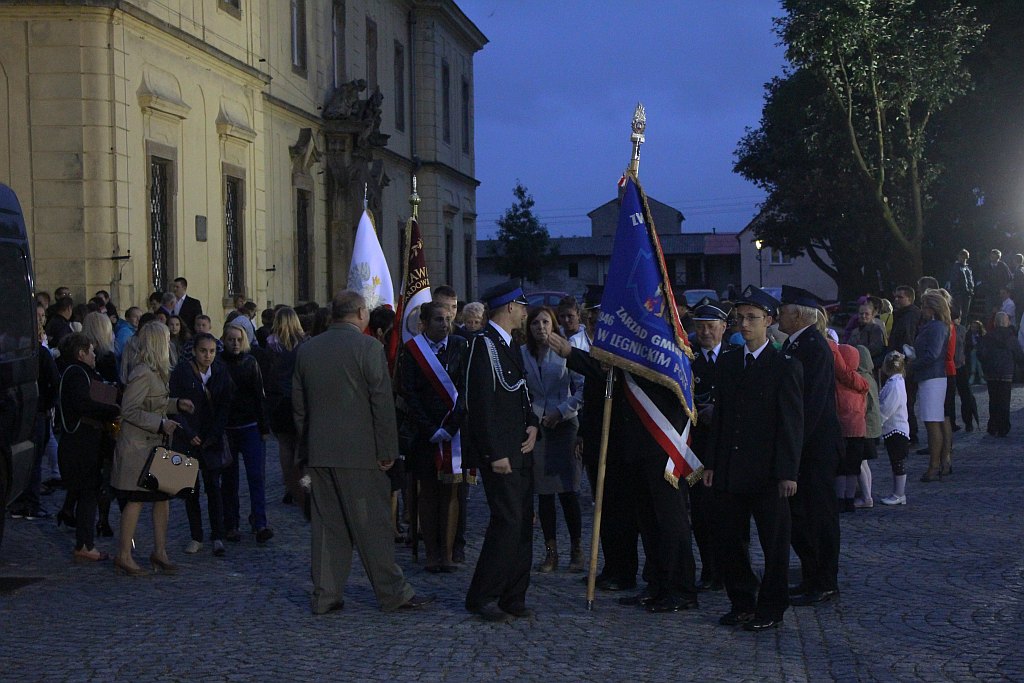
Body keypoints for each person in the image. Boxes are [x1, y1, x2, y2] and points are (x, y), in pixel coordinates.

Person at [292, 289, 433, 614]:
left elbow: (299, 406)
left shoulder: (308, 350)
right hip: (363, 454)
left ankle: (325, 595)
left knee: (327, 528)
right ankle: (393, 592)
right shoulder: (369, 347)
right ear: (359, 314)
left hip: (320, 452)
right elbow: (381, 403)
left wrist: (309, 444)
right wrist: (388, 450)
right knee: (373, 527)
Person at [703, 285, 803, 632]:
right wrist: (712, 463)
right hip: (731, 468)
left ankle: (772, 607)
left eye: (752, 318)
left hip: (768, 472)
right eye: (740, 318)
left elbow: (791, 423)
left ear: (769, 321)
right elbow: (722, 418)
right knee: (729, 540)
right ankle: (742, 601)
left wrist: (788, 472)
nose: (744, 325)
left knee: (774, 544)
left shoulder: (784, 365)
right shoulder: (729, 362)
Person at [462, 281, 539, 623]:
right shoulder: (483, 345)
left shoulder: (510, 345)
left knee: (522, 524)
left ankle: (513, 594)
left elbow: (521, 395)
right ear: (509, 307)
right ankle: (483, 595)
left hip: (521, 449)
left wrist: (534, 424)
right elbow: (479, 404)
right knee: (506, 523)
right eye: (522, 306)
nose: (526, 312)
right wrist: (493, 452)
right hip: (502, 455)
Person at [776, 285, 843, 607]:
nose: (778, 316)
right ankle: (810, 575)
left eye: (783, 310)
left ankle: (824, 580)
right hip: (805, 446)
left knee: (818, 516)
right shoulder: (798, 344)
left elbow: (811, 404)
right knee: (801, 517)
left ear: (799, 314)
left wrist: (794, 449)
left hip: (814, 448)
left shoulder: (813, 347)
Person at [111, 322, 193, 576]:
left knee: (163, 499)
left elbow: (154, 403)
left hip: (157, 446)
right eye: (166, 338)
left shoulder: (157, 372)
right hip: (138, 448)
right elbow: (129, 410)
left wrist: (176, 404)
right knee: (135, 500)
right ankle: (124, 555)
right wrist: (160, 423)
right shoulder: (143, 372)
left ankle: (160, 550)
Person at [399, 300, 468, 573]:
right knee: (427, 492)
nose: (445, 324)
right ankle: (431, 553)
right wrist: (430, 428)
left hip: (454, 433)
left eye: (448, 319)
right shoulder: (413, 351)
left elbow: (465, 389)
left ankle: (448, 553)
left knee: (451, 491)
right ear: (424, 324)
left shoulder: (461, 346)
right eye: (439, 319)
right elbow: (409, 393)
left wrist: (450, 427)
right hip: (424, 433)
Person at [521, 306, 585, 573]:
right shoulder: (523, 353)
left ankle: (577, 548)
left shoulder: (565, 350)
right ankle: (551, 551)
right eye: (535, 323)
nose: (541, 328)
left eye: (546, 322)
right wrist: (535, 417)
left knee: (568, 491)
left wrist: (562, 411)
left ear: (553, 324)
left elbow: (582, 389)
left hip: (564, 424)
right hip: (538, 426)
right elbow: (522, 389)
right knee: (545, 493)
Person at [53, 334, 120, 561]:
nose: (94, 355)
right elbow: (83, 403)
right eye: (91, 351)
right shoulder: (76, 373)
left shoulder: (80, 373)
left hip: (86, 442)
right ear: (81, 353)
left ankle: (85, 542)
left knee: (87, 492)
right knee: (87, 492)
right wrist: (110, 409)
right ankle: (85, 544)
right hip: (80, 444)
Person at [170, 333, 234, 557]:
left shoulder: (220, 371)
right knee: (190, 490)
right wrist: (188, 432)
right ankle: (196, 536)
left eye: (212, 351)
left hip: (211, 438)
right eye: (203, 351)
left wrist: (214, 434)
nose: (207, 356)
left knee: (214, 488)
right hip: (187, 438)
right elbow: (174, 405)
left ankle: (217, 535)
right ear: (195, 351)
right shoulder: (181, 372)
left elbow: (225, 405)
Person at [688, 297, 735, 591]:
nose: (705, 332)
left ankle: (731, 567)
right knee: (702, 512)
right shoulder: (688, 357)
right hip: (697, 447)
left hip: (729, 447)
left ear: (723, 328)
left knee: (730, 512)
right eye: (700, 327)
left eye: (711, 327)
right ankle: (709, 567)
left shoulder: (735, 356)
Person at [220, 323, 272, 543]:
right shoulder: (219, 363)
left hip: (249, 426)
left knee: (256, 477)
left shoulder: (250, 362)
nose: (235, 343)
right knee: (229, 479)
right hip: (228, 428)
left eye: (239, 340)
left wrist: (263, 427)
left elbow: (259, 396)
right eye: (231, 339)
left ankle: (259, 522)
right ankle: (231, 523)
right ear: (224, 340)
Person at [265, 307, 307, 512]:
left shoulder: (271, 345)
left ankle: (289, 484)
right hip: (298, 399)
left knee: (284, 445)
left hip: (278, 401)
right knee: (300, 444)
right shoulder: (303, 345)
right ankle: (301, 483)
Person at [912, 290, 953, 482]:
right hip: (932, 376)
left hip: (932, 377)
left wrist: (911, 364)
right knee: (934, 421)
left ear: (932, 309)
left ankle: (934, 465)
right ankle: (941, 462)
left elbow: (933, 354)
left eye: (924, 307)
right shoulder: (936, 325)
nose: (922, 310)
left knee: (932, 423)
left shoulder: (936, 327)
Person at [834, 344, 869, 513]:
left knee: (840, 467)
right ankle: (850, 499)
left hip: (840, 429)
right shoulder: (862, 382)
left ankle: (840, 499)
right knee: (853, 468)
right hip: (858, 429)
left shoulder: (837, 383)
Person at [977, 311, 1022, 437]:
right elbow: (1019, 355)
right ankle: (1003, 426)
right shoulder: (1011, 338)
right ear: (1007, 322)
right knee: (1004, 400)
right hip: (1006, 372)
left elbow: (981, 354)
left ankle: (993, 425)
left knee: (993, 399)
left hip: (991, 372)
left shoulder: (988, 337)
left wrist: (986, 364)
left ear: (996, 323)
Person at [888, 286, 922, 443]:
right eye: (896, 297)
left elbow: (907, 341)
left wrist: (903, 364)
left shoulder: (910, 315)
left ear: (909, 298)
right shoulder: (902, 314)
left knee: (906, 401)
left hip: (905, 365)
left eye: (900, 297)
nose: (896, 299)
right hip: (901, 362)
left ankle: (910, 434)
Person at [878, 351, 911, 505]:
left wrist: (879, 420)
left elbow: (887, 407)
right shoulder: (895, 382)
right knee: (895, 462)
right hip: (894, 430)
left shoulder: (894, 384)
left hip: (896, 429)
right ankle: (897, 492)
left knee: (897, 462)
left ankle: (899, 494)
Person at [854, 346, 882, 509]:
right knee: (863, 463)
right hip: (871, 426)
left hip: (866, 426)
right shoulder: (870, 377)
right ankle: (867, 494)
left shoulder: (862, 378)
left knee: (860, 462)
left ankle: (866, 496)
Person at [847, 301, 887, 371]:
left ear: (872, 315)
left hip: (869, 369)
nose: (863, 316)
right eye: (861, 313)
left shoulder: (876, 330)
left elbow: (876, 349)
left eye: (867, 314)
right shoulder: (855, 331)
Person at [979, 249, 1012, 314]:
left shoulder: (1002, 266)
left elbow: (1009, 277)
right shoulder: (986, 266)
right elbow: (982, 279)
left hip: (999, 293)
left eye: (994, 256)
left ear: (998, 257)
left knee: (999, 311)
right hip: (989, 293)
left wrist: (1002, 287)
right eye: (991, 255)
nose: (992, 257)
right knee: (989, 312)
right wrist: (986, 287)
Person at [945, 249, 975, 320]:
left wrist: (971, 290)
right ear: (958, 257)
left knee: (965, 314)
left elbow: (971, 280)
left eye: (965, 257)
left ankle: (963, 328)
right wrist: (956, 291)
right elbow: (954, 280)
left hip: (967, 294)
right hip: (958, 294)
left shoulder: (968, 268)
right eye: (961, 256)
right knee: (958, 313)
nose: (963, 259)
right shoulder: (955, 267)